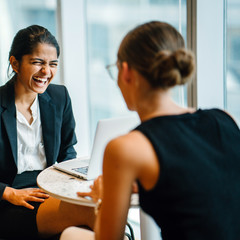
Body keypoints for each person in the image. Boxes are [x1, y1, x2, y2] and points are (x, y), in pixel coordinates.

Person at [60, 21, 240, 240]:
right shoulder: (225, 119)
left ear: (126, 72)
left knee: (70, 235)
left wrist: (102, 199)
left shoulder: (126, 148)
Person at [0, 25, 95, 240]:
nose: (46, 72)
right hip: (8, 203)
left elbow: (67, 151)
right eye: (37, 63)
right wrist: (9, 193)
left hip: (51, 190)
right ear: (15, 63)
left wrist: (69, 185)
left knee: (86, 224)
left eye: (53, 64)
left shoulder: (60, 97)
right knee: (88, 214)